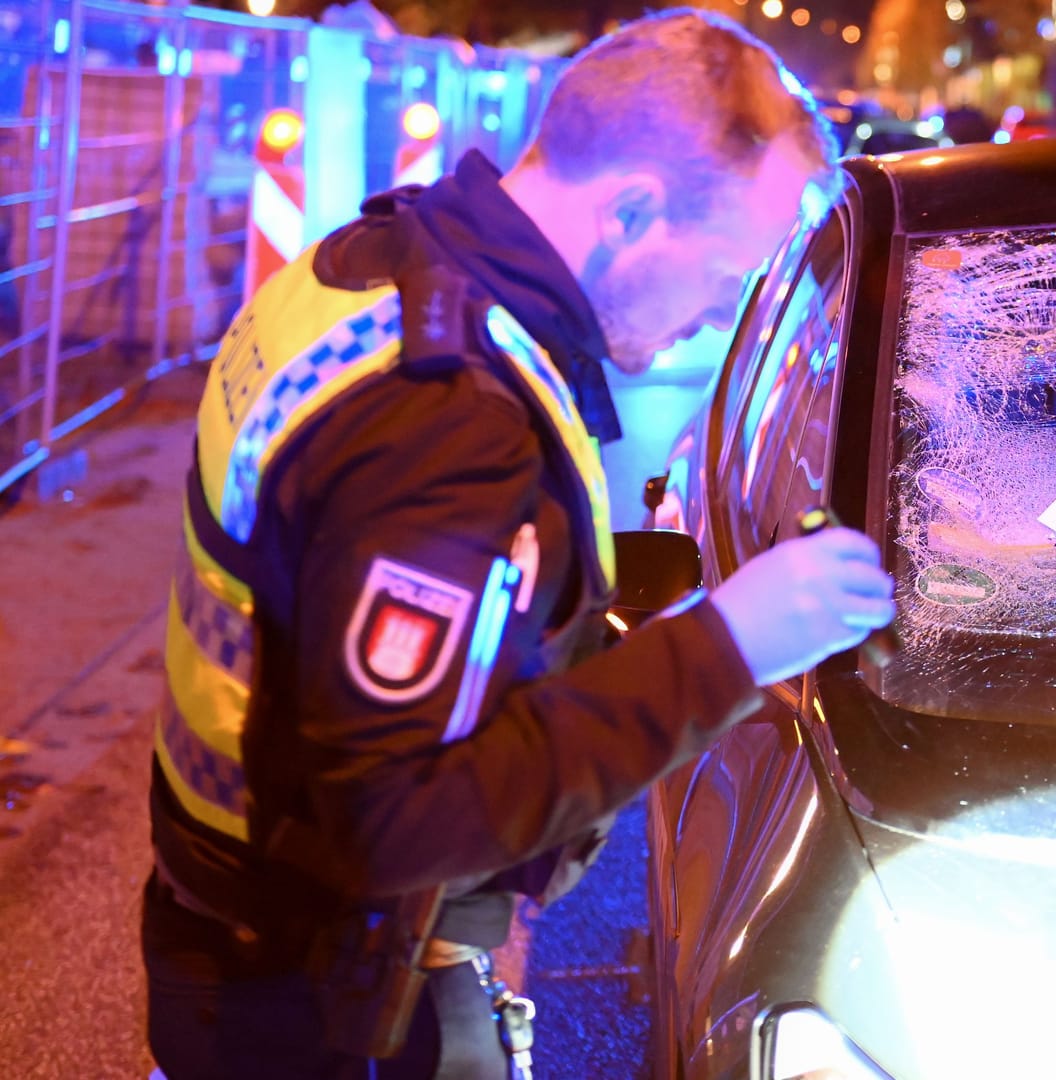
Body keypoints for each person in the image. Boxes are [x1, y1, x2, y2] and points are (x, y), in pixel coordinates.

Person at [142, 11, 893, 1078]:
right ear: (632, 211)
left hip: (239, 940)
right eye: (729, 273)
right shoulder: (441, 415)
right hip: (314, 1003)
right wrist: (726, 649)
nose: (724, 315)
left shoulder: (382, 265)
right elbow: (390, 821)